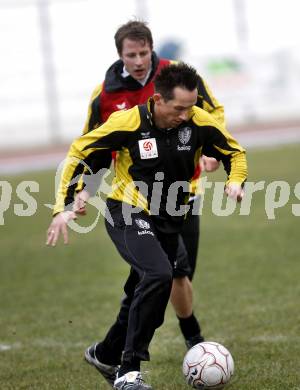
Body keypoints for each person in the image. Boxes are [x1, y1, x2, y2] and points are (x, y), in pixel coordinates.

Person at [46, 62, 247, 390]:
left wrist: (235, 180)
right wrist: (64, 205)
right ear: (158, 100)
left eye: (191, 106)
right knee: (159, 275)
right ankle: (128, 373)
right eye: (179, 108)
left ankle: (106, 353)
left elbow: (234, 152)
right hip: (126, 209)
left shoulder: (197, 120)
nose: (186, 115)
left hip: (169, 217)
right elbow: (81, 150)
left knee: (147, 296)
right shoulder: (128, 121)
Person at [75, 20, 223, 357]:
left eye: (144, 53)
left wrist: (212, 151)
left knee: (168, 276)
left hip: (185, 190)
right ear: (120, 55)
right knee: (165, 273)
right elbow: (93, 147)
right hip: (137, 199)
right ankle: (192, 339)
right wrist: (84, 189)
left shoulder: (178, 76)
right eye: (132, 54)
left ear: (152, 49)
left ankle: (108, 352)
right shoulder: (106, 94)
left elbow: (213, 112)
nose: (139, 60)